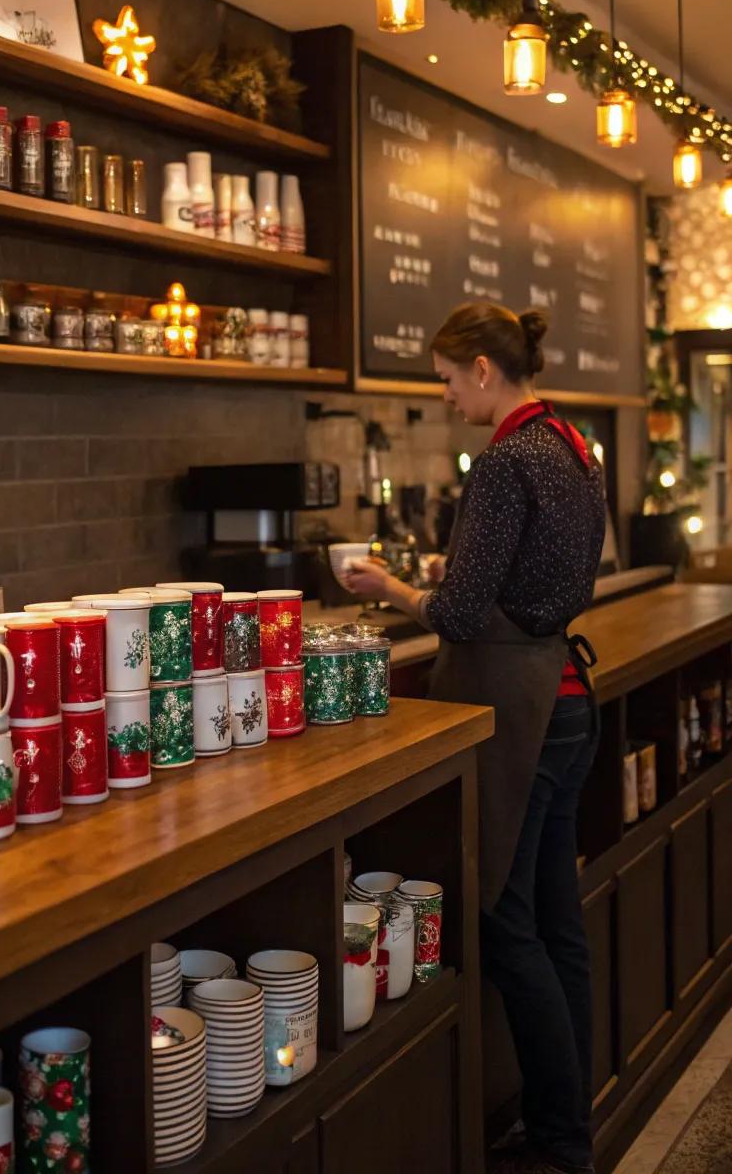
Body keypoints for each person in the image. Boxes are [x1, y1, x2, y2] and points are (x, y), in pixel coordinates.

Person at [345, 303, 604, 1174]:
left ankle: (559, 1140)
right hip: (569, 699)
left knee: (501, 920)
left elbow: (455, 610)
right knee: (556, 924)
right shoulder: (573, 446)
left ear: (484, 372)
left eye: (449, 380)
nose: (447, 395)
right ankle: (569, 1122)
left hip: (516, 711)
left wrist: (385, 584)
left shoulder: (505, 462)